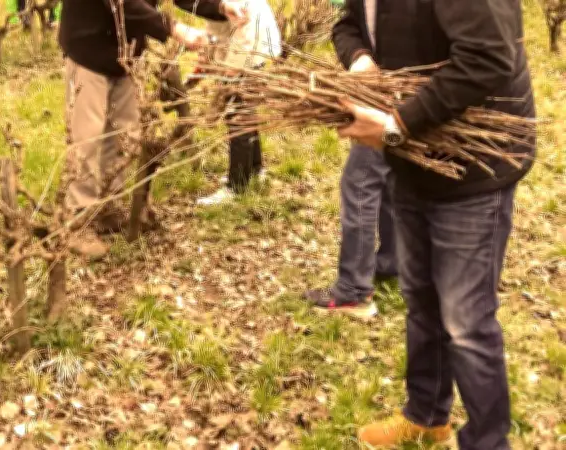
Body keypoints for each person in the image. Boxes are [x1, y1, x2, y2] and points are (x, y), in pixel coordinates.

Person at [332, 0, 535, 448]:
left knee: (466, 321)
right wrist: (361, 61)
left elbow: (488, 58)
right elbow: (348, 23)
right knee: (420, 297)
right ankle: (427, 417)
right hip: (414, 157)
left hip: (474, 163)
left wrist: (397, 123)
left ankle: (487, 442)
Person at [59, 0, 249, 258]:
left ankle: (106, 208)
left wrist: (218, 6)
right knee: (88, 138)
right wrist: (174, 28)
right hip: (88, 48)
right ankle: (78, 221)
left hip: (124, 56)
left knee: (125, 136)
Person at [304, 7, 396, 319]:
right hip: (380, 91)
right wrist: (359, 56)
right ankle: (394, 262)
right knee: (390, 179)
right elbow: (346, 23)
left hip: (405, 97)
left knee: (360, 182)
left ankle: (354, 292)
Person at [195, 0, 282, 206]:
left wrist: (232, 70)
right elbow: (216, 21)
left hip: (250, 46)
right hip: (249, 42)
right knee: (246, 110)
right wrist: (209, 53)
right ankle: (254, 168)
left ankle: (237, 185)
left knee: (238, 115)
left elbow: (245, 29)